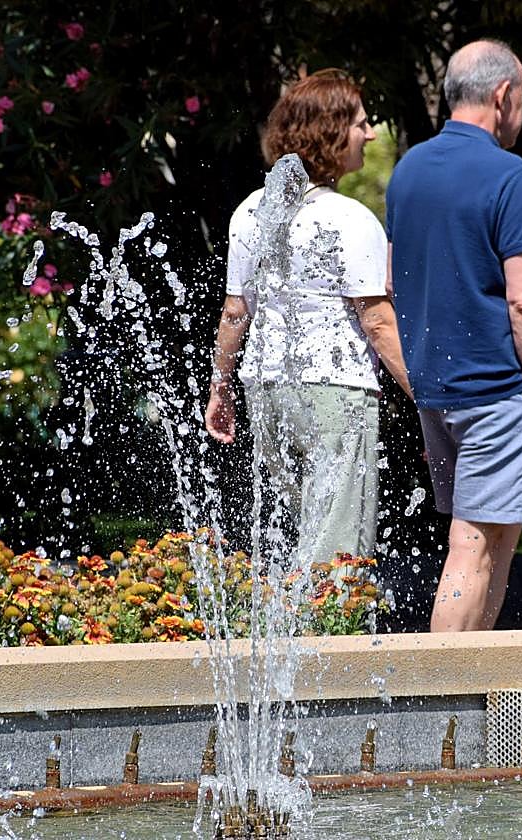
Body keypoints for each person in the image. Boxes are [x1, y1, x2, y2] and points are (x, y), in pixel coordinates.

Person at [205, 71, 411, 565]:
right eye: (361, 123)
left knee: (305, 537)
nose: (371, 133)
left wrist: (220, 388)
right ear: (331, 132)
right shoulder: (352, 218)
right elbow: (378, 323)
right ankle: (330, 638)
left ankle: (294, 638)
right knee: (337, 552)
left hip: (266, 392)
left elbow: (236, 312)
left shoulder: (249, 211)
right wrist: (427, 402)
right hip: (335, 395)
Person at [385, 39, 522, 632]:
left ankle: (477, 700)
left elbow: (390, 277)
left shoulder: (407, 172)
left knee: (495, 544)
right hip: (496, 392)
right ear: (503, 95)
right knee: (473, 547)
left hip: (437, 392)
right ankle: (441, 705)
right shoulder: (510, 175)